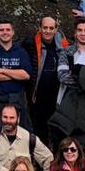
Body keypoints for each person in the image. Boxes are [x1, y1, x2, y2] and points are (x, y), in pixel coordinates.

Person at [49, 18, 85, 155]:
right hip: (65, 105)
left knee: (83, 152)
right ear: (75, 33)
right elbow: (62, 76)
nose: (83, 33)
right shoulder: (66, 52)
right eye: (80, 30)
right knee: (62, 150)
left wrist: (76, 71)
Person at [22, 17, 69, 145]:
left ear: (56, 29)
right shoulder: (30, 43)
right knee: (39, 130)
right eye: (45, 28)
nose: (48, 31)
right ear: (40, 28)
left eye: (51, 28)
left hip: (57, 96)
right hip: (37, 96)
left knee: (57, 130)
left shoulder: (64, 45)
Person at [0, 19, 32, 128]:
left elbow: (26, 75)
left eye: (8, 29)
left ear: (13, 32)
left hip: (16, 101)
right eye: (2, 30)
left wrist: (2, 70)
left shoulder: (21, 52)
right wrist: (15, 76)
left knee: (18, 134)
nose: (5, 32)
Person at [0, 104, 53, 171]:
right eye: (5, 117)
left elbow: (48, 158)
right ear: (1, 118)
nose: (8, 121)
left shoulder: (29, 137)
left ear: (18, 119)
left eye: (12, 118)